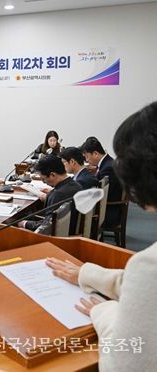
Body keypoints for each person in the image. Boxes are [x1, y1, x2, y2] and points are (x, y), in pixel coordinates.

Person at [46, 101, 157, 371]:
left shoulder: (148, 264)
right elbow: (144, 285)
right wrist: (86, 274)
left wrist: (102, 311)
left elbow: (125, 362)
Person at [18, 154, 82, 234]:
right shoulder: (76, 185)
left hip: (58, 236)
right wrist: (49, 196)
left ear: (52, 175)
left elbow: (46, 227)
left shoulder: (58, 195)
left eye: (43, 179)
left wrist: (24, 223)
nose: (44, 182)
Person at [81, 136, 123, 228]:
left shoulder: (107, 168)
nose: (87, 160)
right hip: (109, 207)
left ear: (95, 153)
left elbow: (103, 194)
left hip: (109, 212)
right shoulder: (107, 162)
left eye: (87, 157)